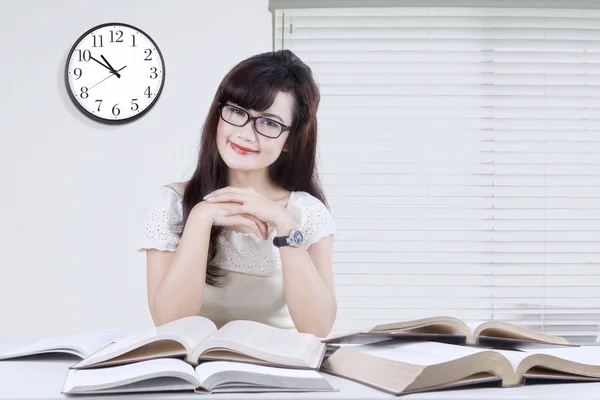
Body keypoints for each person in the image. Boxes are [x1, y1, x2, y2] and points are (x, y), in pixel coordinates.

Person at [137, 50, 338, 338]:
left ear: (290, 141)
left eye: (269, 123)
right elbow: (170, 324)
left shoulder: (307, 212)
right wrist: (200, 219)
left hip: (283, 374)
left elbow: (318, 328)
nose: (245, 134)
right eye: (237, 112)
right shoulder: (168, 204)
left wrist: (283, 224)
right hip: (197, 376)